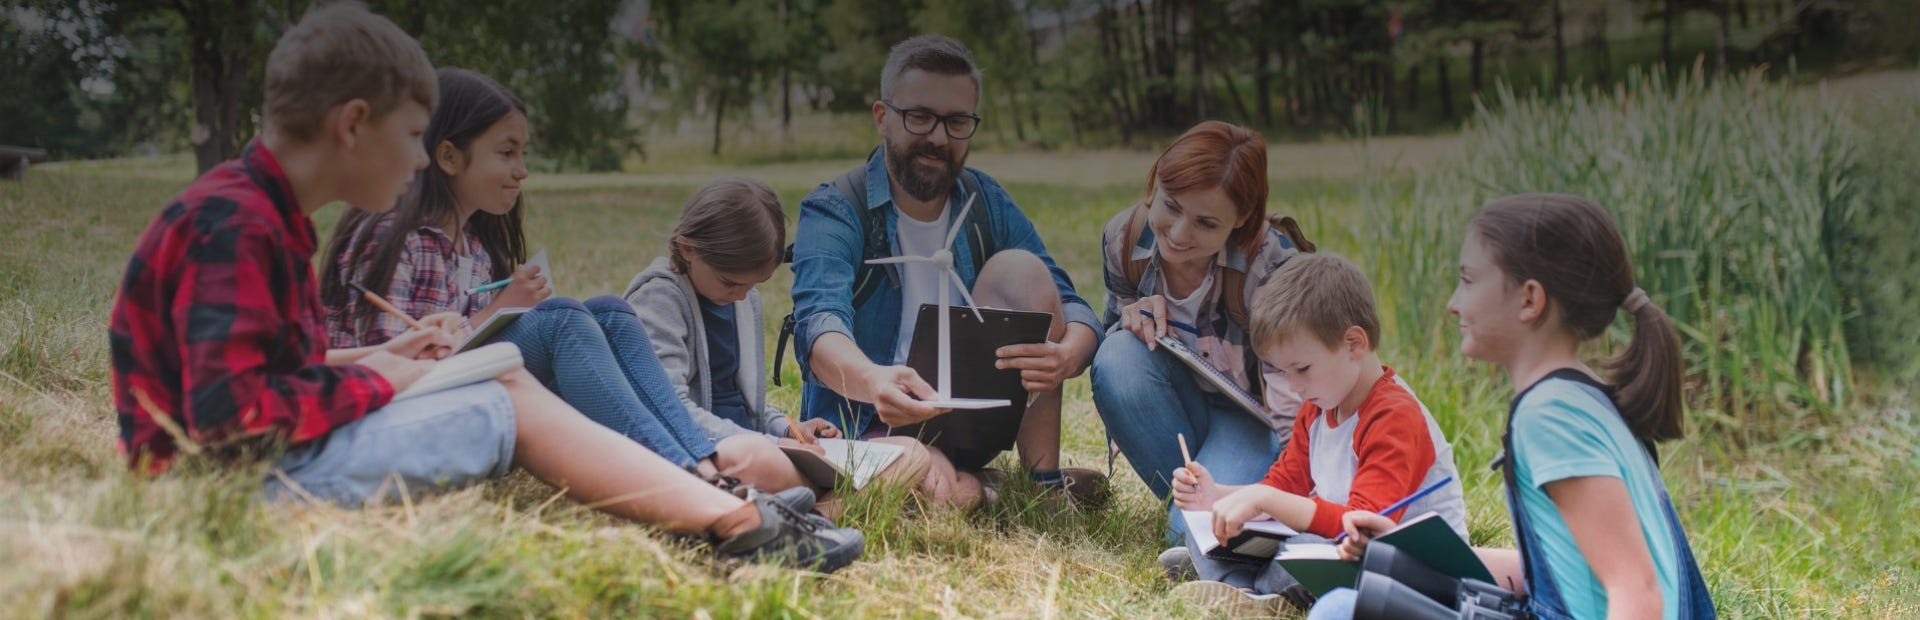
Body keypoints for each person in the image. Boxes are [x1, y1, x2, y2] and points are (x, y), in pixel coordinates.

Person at [107, 2, 860, 572]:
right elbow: (229, 422)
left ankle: (723, 505)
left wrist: (385, 359)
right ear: (352, 124)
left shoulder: (259, 215)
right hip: (230, 487)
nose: (417, 161)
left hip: (257, 462)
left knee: (501, 373)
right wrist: (386, 381)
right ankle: (730, 522)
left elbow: (268, 375)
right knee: (503, 396)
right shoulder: (235, 226)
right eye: (410, 137)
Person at [319, 68, 805, 495]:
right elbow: (396, 366)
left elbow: (456, 338)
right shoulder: (394, 239)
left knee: (610, 310)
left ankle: (702, 457)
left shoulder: (470, 245)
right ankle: (687, 475)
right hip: (397, 412)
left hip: (467, 385)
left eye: (522, 153)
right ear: (449, 157)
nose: (522, 171)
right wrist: (497, 311)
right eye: (507, 153)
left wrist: (495, 314)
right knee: (560, 321)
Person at [1309, 194, 1716, 619]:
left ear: (1529, 300)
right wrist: (1405, 553)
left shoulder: (1551, 418)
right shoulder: (1582, 398)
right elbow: (1560, 575)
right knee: (1365, 593)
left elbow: (1637, 590)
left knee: (1339, 611)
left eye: (1468, 280)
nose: (1453, 303)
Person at [787, 35, 1105, 509]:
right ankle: (977, 487)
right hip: (868, 421)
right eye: (919, 116)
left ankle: (1042, 485)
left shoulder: (984, 201)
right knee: (940, 490)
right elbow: (819, 326)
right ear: (882, 117)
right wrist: (874, 380)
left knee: (1023, 269)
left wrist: (1068, 355)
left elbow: (1069, 301)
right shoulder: (837, 207)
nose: (937, 137)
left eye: (956, 121)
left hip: (970, 419)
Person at [1165, 253, 1467, 614]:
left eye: (1302, 368)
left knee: (1301, 549)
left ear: (1353, 344)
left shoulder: (1394, 416)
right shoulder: (1321, 405)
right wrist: (1217, 497)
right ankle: (1241, 584)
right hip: (1340, 545)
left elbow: (1364, 530)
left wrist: (1263, 501)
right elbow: (1285, 484)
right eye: (1283, 372)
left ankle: (1239, 583)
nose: (1294, 386)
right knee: (1209, 529)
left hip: (1405, 568)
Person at [624, 177, 933, 499]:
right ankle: (815, 501)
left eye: (755, 284)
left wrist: (788, 429)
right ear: (688, 249)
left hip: (761, 445)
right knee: (756, 461)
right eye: (731, 283)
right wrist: (770, 443)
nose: (742, 296)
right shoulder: (660, 299)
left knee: (911, 453)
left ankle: (815, 511)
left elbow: (743, 401)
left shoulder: (741, 301)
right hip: (709, 451)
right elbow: (666, 409)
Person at [1089, 120, 1312, 541]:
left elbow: (1295, 401)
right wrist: (1130, 322)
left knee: (1194, 540)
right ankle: (1196, 509)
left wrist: (1295, 497)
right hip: (1174, 403)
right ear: (1156, 182)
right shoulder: (1124, 238)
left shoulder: (1271, 266)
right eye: (1170, 206)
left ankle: (1197, 520)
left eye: (1206, 223)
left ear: (1242, 218)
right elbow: (1111, 361)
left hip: (1251, 421)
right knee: (1118, 352)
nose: (1177, 234)